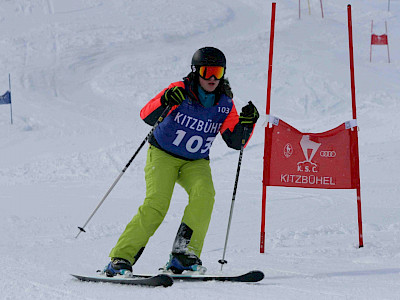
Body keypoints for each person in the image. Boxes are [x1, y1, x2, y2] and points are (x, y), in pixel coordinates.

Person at [104, 47, 259, 276]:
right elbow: (146, 115)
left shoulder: (225, 103)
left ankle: (183, 255)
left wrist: (248, 124)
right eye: (207, 71)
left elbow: (236, 142)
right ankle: (120, 258)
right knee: (157, 204)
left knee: (204, 196)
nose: (213, 78)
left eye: (218, 72)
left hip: (195, 161)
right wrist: (165, 100)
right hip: (163, 154)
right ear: (196, 72)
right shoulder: (180, 90)